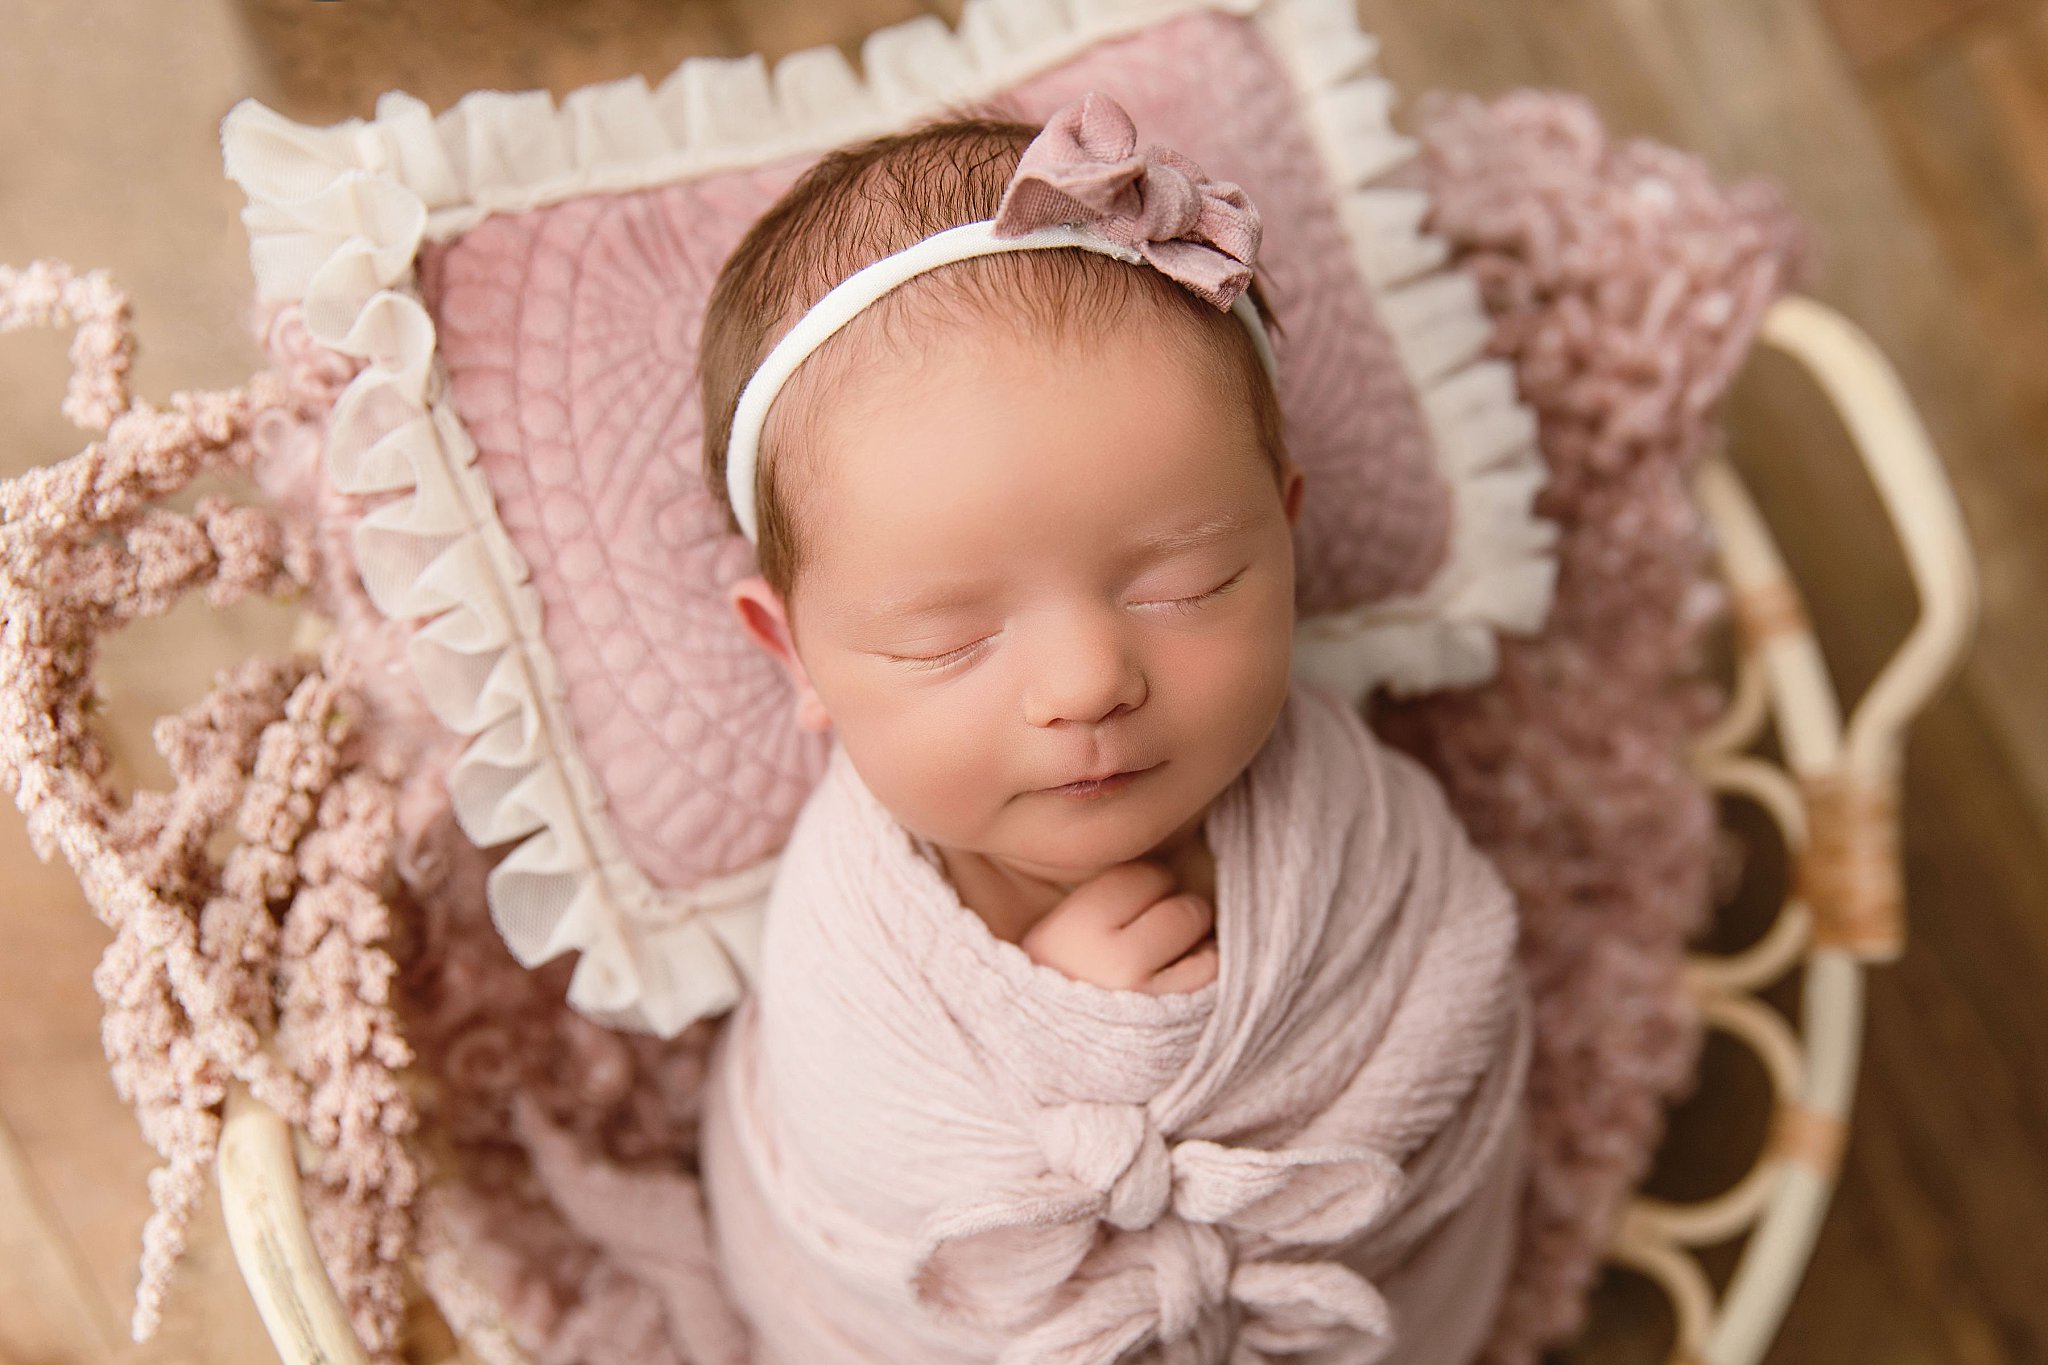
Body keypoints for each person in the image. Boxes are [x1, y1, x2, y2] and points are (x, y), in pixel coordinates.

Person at [692, 91, 1530, 1365]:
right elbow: (868, 1204)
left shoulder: (1357, 834)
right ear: (792, 651)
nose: (1087, 682)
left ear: (1285, 530)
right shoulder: (849, 947)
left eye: (1185, 583)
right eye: (945, 638)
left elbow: (1454, 1003)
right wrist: (1082, 1061)